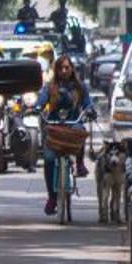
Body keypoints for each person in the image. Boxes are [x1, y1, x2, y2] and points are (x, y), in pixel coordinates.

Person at [37, 54, 96, 215]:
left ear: (72, 69)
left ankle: (79, 162)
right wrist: (37, 107)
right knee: (49, 160)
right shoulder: (50, 86)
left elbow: (87, 103)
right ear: (56, 69)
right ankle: (52, 197)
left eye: (67, 67)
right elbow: (41, 100)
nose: (64, 70)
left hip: (72, 125)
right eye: (61, 68)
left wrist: (90, 109)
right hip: (54, 127)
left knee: (80, 130)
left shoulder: (80, 87)